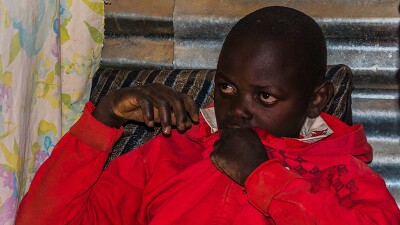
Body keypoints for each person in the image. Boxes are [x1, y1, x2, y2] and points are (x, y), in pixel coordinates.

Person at [16, 6, 400, 225]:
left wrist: (261, 177)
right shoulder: (172, 153)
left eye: (265, 96)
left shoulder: (345, 175)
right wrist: (102, 121)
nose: (236, 110)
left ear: (316, 101)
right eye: (227, 87)